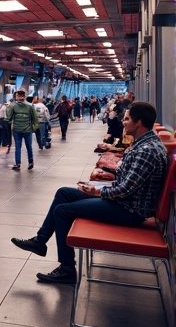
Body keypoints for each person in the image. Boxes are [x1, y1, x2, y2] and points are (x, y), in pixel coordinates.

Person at [12, 101, 170, 283]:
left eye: (127, 119)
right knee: (63, 193)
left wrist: (97, 192)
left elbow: (125, 190)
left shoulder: (146, 151)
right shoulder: (145, 143)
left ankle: (67, 269)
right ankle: (40, 241)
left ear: (139, 122)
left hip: (128, 211)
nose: (123, 122)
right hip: (124, 202)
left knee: (62, 211)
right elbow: (126, 184)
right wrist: (99, 189)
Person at [5, 90, 38, 171]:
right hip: (27, 130)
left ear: (17, 97)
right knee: (29, 147)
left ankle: (18, 164)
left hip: (17, 130)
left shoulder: (13, 106)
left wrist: (8, 108)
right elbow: (35, 119)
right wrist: (33, 128)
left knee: (18, 147)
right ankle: (30, 162)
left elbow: (8, 118)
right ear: (24, 96)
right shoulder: (30, 106)